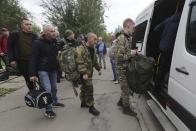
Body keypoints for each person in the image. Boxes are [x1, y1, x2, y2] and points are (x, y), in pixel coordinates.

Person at [29, 25, 65, 118]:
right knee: (47, 90)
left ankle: (54, 102)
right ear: (45, 33)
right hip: (42, 70)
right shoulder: (37, 43)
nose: (54, 33)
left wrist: (60, 66)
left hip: (52, 69)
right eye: (52, 31)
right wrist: (32, 73)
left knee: (54, 88)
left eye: (54, 31)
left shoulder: (54, 42)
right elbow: (33, 58)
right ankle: (48, 110)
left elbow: (57, 54)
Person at [154, 2, 182, 93]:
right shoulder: (181, 20)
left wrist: (163, 36)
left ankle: (157, 86)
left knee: (161, 68)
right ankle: (157, 89)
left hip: (162, 47)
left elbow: (156, 29)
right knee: (165, 69)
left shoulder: (168, 20)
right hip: (170, 49)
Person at [7, 18, 38, 91]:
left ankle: (42, 93)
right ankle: (33, 92)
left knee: (38, 77)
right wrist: (12, 59)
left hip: (34, 61)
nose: (29, 26)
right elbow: (9, 48)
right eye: (26, 24)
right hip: (22, 61)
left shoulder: (35, 35)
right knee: (28, 78)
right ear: (22, 26)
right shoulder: (14, 34)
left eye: (30, 24)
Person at [115, 18, 137, 116]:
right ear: (128, 26)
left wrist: (131, 52)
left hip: (125, 68)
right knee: (126, 89)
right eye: (133, 27)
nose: (134, 29)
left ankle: (121, 101)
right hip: (122, 69)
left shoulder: (127, 38)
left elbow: (125, 52)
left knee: (125, 87)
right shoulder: (121, 39)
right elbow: (119, 58)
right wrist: (131, 54)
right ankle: (126, 108)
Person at [75, 33, 101, 116]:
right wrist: (84, 73)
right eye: (95, 39)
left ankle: (83, 102)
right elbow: (79, 61)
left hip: (89, 73)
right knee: (89, 89)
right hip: (83, 74)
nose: (96, 41)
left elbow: (94, 60)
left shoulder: (93, 48)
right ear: (89, 39)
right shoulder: (80, 49)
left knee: (84, 88)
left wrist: (98, 69)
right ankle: (91, 106)